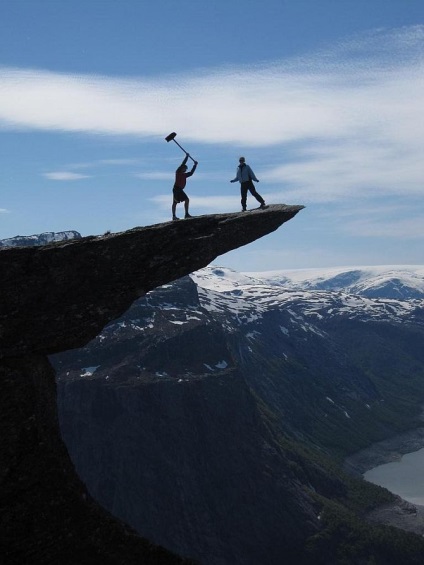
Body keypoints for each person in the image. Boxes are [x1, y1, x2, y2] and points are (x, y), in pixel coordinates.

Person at [172, 153, 198, 220]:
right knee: (176, 202)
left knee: (185, 200)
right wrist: (187, 157)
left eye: (186, 169)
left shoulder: (184, 175)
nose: (185, 170)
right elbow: (183, 164)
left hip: (179, 189)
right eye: (184, 168)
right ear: (182, 168)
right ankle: (174, 216)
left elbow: (191, 173)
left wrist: (195, 165)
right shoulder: (178, 172)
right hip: (177, 189)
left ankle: (186, 214)